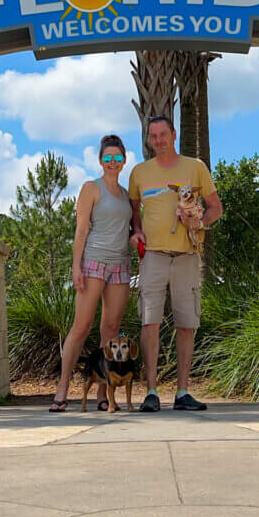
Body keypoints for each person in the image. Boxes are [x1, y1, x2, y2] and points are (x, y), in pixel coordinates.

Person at [128, 114, 222, 412]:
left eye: (163, 134)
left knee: (186, 323)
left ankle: (182, 392)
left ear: (174, 134)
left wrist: (198, 223)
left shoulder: (195, 168)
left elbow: (215, 208)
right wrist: (137, 232)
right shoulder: (139, 173)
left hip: (187, 257)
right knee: (149, 322)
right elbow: (133, 212)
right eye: (153, 136)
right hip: (153, 256)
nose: (158, 140)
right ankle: (152, 392)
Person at [49, 135, 133, 412]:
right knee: (81, 327)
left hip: (120, 265)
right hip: (94, 262)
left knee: (110, 330)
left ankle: (102, 393)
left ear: (124, 160)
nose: (112, 162)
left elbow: (132, 229)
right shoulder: (91, 188)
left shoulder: (126, 196)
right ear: (100, 161)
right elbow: (81, 230)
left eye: (117, 158)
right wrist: (76, 266)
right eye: (107, 158)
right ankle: (62, 388)